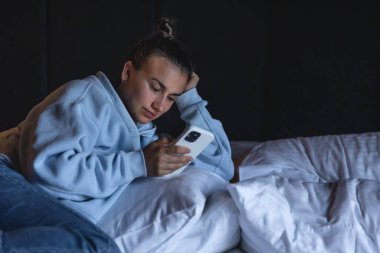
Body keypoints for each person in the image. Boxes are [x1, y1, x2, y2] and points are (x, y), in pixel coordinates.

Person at [0, 17, 234, 223]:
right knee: (91, 246)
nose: (160, 105)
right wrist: (137, 164)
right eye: (155, 87)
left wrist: (190, 100)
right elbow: (46, 169)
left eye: (172, 97)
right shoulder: (85, 99)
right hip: (8, 173)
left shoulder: (144, 138)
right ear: (127, 72)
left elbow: (219, 167)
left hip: (35, 194)